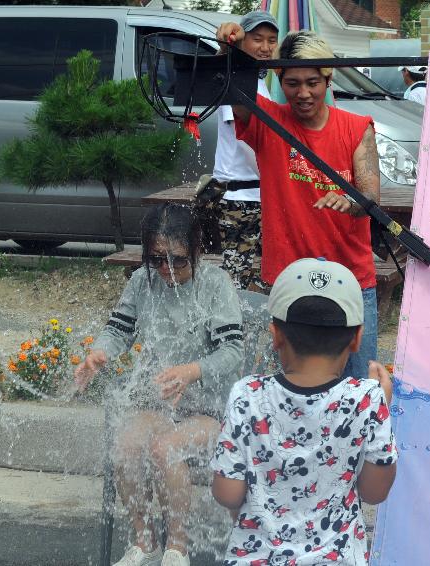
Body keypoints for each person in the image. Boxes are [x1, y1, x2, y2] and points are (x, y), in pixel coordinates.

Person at [74, 203, 244, 566]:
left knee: (165, 448)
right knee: (126, 443)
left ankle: (177, 549)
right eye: (157, 260)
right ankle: (144, 539)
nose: (166, 270)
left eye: (178, 260)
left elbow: (233, 352)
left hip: (209, 409)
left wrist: (191, 370)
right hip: (159, 405)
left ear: (197, 249)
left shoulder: (216, 285)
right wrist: (99, 353)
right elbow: (117, 329)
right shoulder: (142, 282)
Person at [214, 24, 381, 380]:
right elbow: (224, 82)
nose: (303, 93)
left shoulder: (357, 127)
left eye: (312, 83)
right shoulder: (266, 121)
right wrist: (225, 46)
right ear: (280, 81)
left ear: (327, 79)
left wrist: (348, 200)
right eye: (293, 84)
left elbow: (370, 198)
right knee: (290, 388)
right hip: (289, 278)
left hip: (351, 277)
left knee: (359, 387)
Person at [210, 257, 397, 565]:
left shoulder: (247, 395)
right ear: (357, 338)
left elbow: (227, 493)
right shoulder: (367, 399)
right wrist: (380, 411)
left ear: (276, 335)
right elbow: (375, 492)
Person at [214, 10, 279, 290]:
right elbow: (247, 140)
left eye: (272, 40)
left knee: (268, 275)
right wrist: (280, 178)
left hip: (257, 194)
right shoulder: (236, 78)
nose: (266, 48)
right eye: (257, 39)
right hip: (241, 196)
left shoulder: (260, 81)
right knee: (236, 278)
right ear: (241, 41)